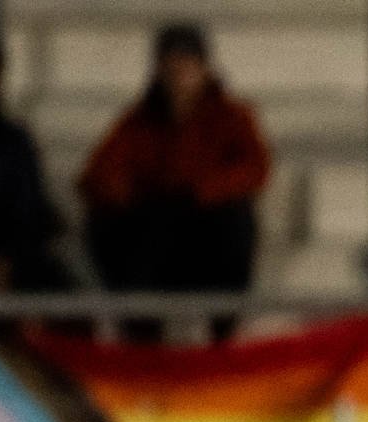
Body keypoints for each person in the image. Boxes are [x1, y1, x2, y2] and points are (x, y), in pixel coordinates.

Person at [78, 22, 270, 342]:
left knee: (237, 219)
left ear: (205, 68)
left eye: (188, 63)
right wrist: (135, 197)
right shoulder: (139, 122)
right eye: (171, 64)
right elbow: (97, 175)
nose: (179, 73)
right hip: (156, 240)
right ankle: (142, 333)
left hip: (206, 236)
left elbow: (255, 168)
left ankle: (222, 329)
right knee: (106, 223)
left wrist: (201, 193)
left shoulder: (231, 116)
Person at [0, 19, 68, 305]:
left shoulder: (14, 142)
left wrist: (7, 261)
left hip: (6, 265)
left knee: (55, 280)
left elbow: (29, 214)